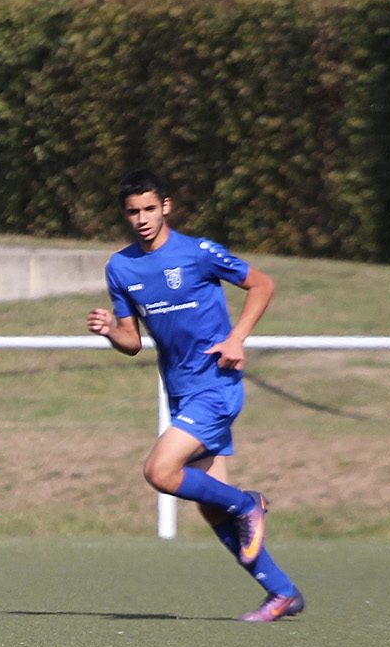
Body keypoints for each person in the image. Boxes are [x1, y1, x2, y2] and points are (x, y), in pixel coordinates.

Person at [87, 170, 305, 622]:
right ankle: (281, 591)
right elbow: (131, 342)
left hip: (216, 386)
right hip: (181, 393)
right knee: (211, 506)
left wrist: (237, 337)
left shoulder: (198, 252)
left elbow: (261, 284)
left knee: (160, 471)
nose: (142, 218)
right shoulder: (121, 267)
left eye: (149, 208)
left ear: (166, 206)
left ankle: (249, 504)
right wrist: (110, 330)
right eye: (133, 212)